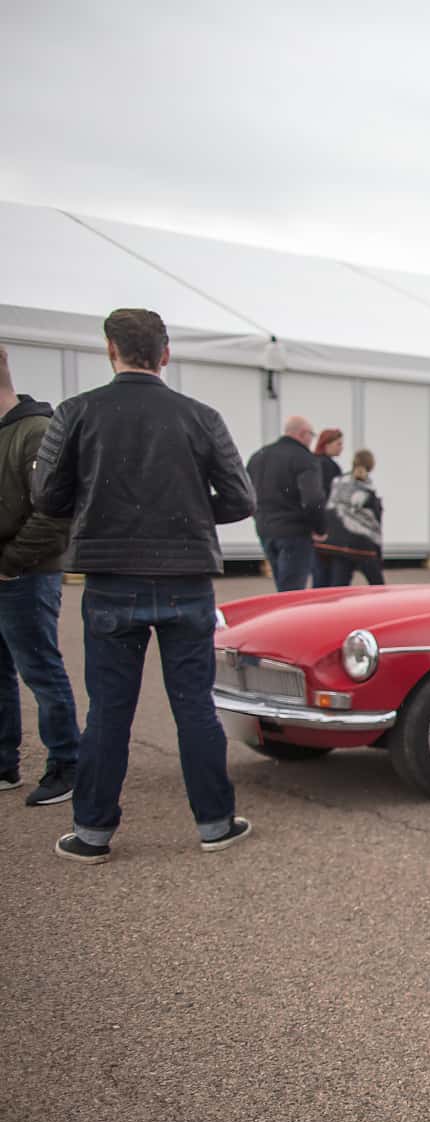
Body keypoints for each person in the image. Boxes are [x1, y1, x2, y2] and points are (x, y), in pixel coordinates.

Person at [32, 308, 256, 864]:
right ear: (166, 352)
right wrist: (185, 511)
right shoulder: (200, 416)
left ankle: (92, 833)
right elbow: (240, 498)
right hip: (186, 580)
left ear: (111, 350)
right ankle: (214, 823)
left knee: (108, 710)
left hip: (111, 581)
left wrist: (97, 507)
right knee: (194, 707)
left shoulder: (77, 412)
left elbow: (47, 496)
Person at [0, 347, 81, 806]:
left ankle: (67, 763)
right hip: (10, 573)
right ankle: (4, 762)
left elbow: (53, 515)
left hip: (26, 578)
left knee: (40, 671)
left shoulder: (36, 432)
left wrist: (9, 562)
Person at [247, 415, 325, 590]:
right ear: (303, 434)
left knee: (282, 585)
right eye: (312, 435)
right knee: (292, 590)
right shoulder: (304, 458)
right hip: (295, 532)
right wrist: (320, 528)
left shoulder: (258, 456)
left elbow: (246, 493)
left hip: (265, 529)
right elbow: (313, 499)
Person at [314, 449, 385, 587]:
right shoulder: (368, 489)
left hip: (340, 543)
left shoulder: (338, 482)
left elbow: (331, 506)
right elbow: (374, 518)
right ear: (371, 465)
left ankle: (336, 608)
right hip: (363, 543)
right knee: (377, 585)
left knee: (339, 586)